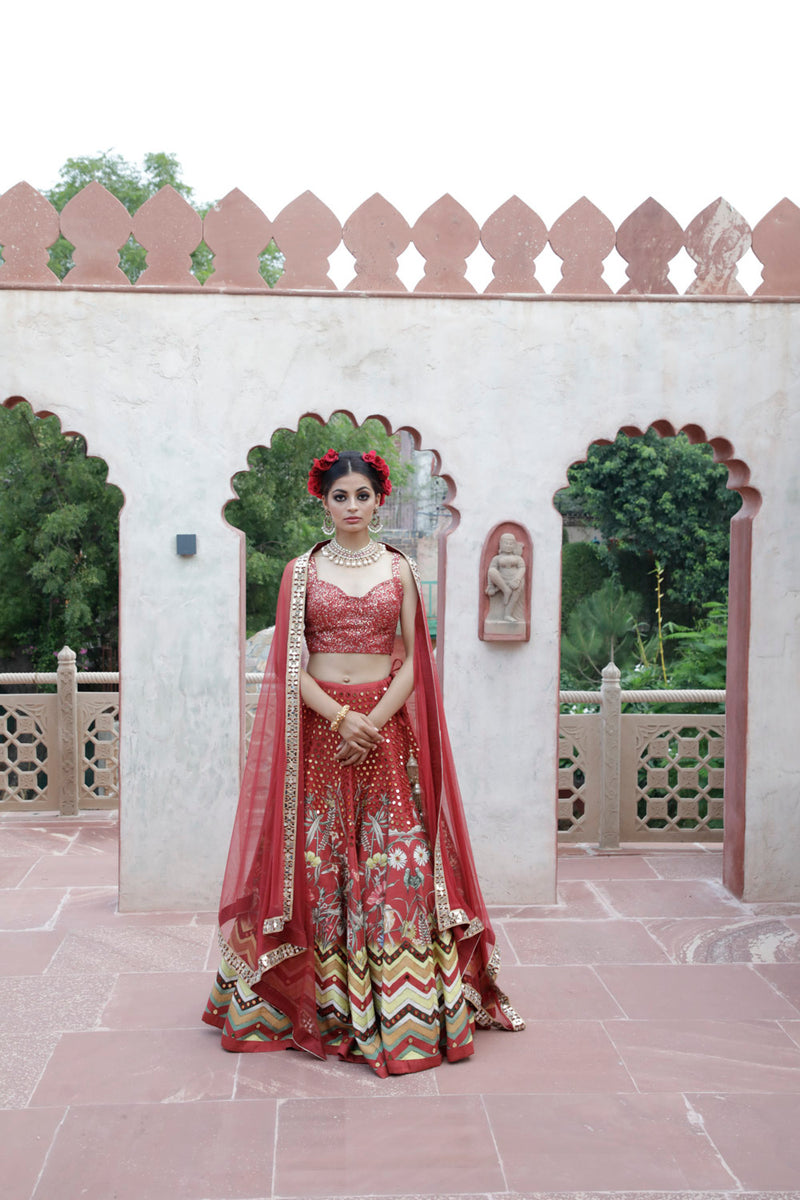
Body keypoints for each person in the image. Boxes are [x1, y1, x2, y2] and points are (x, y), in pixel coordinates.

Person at [203, 448, 523, 1076]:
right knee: (317, 859)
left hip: (384, 731)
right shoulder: (301, 572)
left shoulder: (400, 570)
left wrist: (371, 722)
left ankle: (402, 1008)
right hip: (323, 731)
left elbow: (414, 660)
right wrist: (340, 717)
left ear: (381, 501)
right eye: (339, 496)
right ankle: (319, 1006)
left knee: (392, 857)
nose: (351, 507)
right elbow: (288, 663)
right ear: (323, 502)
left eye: (362, 496)